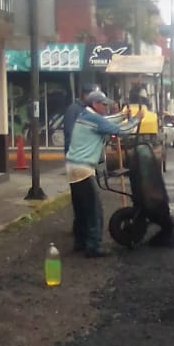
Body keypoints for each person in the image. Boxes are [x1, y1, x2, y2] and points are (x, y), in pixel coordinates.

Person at [65, 89, 141, 257]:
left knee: (81, 209)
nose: (106, 107)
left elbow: (107, 121)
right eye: (104, 104)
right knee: (94, 210)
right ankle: (93, 247)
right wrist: (136, 119)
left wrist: (122, 115)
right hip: (83, 168)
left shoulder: (86, 115)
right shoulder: (94, 119)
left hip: (73, 167)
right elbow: (120, 130)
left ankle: (80, 242)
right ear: (95, 104)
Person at [62, 83, 97, 251]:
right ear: (84, 94)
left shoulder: (86, 110)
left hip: (84, 161)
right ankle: (84, 238)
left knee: (82, 200)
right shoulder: (74, 110)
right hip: (77, 162)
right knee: (85, 200)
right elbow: (70, 134)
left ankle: (80, 236)